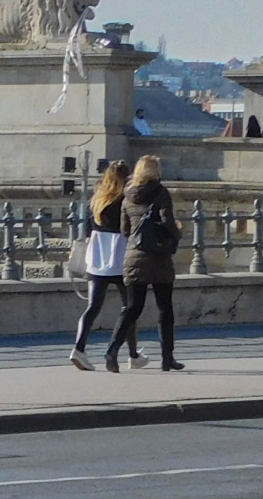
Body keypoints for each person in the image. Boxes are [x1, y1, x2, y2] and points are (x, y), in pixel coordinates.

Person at [107, 154, 185, 374]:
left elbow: (124, 230)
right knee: (164, 308)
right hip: (158, 257)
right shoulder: (160, 192)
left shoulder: (127, 196)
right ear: (155, 171)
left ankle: (112, 352)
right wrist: (177, 233)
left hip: (134, 257)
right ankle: (167, 358)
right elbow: (167, 220)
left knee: (132, 307)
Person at [68, 159, 138, 371]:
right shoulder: (125, 200)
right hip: (120, 256)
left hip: (97, 257)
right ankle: (133, 355)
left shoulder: (97, 199)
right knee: (129, 307)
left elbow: (89, 230)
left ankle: (79, 348)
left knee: (92, 307)